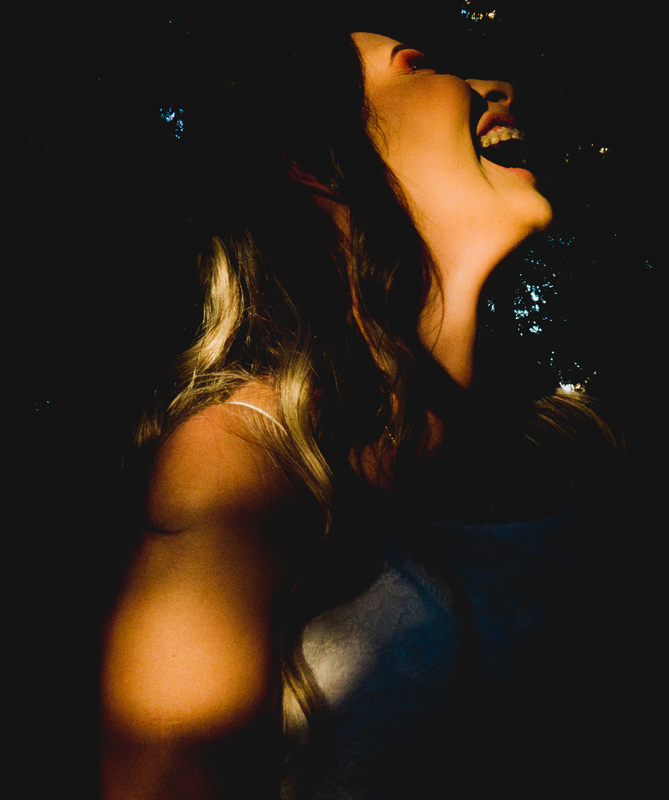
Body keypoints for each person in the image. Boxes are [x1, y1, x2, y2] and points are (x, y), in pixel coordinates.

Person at [100, 19, 619, 799]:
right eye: (418, 65)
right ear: (320, 163)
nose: (497, 90)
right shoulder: (245, 467)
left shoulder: (577, 459)